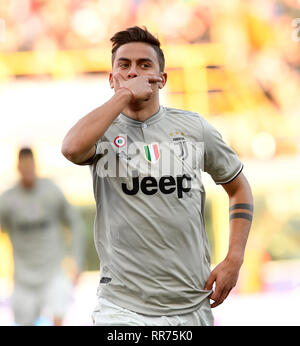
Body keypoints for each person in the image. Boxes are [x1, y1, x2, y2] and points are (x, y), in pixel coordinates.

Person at [61, 26, 253, 326]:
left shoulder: (194, 128)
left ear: (161, 79)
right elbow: (71, 149)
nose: (134, 72)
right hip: (122, 308)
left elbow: (239, 188)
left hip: (190, 304)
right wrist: (125, 94)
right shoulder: (100, 132)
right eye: (124, 66)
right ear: (111, 79)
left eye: (144, 65)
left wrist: (234, 258)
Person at [0, 147, 85, 326]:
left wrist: (77, 259)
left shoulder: (51, 192)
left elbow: (75, 223)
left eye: (30, 167)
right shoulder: (8, 200)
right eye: (24, 168)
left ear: (35, 166)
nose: (27, 172)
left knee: (58, 318)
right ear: (18, 168)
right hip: (23, 279)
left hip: (53, 273)